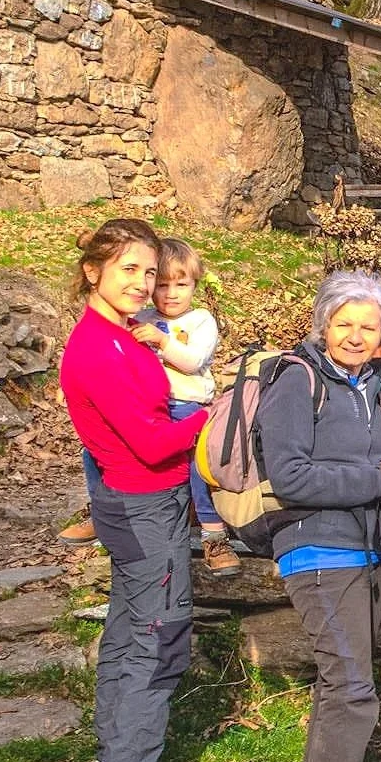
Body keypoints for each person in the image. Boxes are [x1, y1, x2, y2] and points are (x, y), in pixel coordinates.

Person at [61, 218, 210, 762]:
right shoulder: (96, 349)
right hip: (141, 503)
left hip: (142, 500)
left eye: (150, 272)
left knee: (127, 633)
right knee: (157, 638)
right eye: (128, 269)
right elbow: (150, 444)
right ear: (93, 271)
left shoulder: (124, 336)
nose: (143, 283)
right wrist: (210, 416)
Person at [259, 271, 381, 762]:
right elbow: (290, 476)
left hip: (363, 552)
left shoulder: (371, 384)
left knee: (339, 683)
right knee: (351, 688)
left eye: (368, 326)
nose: (355, 335)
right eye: (344, 323)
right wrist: (380, 476)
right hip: (316, 552)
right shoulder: (297, 380)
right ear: (322, 324)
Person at [134, 237, 238, 577]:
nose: (171, 293)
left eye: (181, 284)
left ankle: (212, 531)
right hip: (149, 406)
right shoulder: (141, 317)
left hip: (189, 405)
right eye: (162, 285)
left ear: (194, 284)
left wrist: (162, 341)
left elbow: (193, 361)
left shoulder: (200, 321)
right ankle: (106, 512)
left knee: (197, 464)